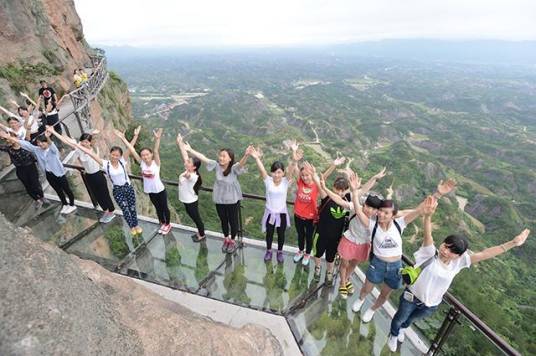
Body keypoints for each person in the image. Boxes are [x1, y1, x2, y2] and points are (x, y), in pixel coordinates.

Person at [387, 196, 531, 352]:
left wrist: (512, 243)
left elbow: (485, 254)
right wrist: (428, 216)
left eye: (451, 250)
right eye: (445, 245)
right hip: (411, 298)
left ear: (459, 255)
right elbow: (428, 234)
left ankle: (401, 330)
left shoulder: (458, 263)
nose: (445, 250)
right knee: (400, 318)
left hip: (431, 305)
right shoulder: (430, 253)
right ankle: (393, 334)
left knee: (409, 320)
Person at [351, 177, 455, 323]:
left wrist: (438, 194)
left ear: (393, 215)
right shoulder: (372, 225)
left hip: (395, 267)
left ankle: (372, 309)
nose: (381, 214)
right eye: (380, 211)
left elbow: (421, 210)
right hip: (378, 264)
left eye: (386, 213)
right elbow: (357, 209)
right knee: (367, 287)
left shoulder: (400, 223)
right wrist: (355, 192)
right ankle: (361, 300)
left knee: (385, 294)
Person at [319, 167, 387, 299]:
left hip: (363, 244)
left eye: (373, 208)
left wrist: (374, 178)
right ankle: (343, 283)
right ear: (364, 204)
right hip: (350, 240)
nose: (368, 210)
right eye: (367, 206)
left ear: (377, 211)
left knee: (354, 264)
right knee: (344, 264)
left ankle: (346, 279)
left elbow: (365, 189)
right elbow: (338, 200)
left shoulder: (376, 218)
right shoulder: (356, 207)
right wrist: (325, 189)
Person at [75, 126, 143, 236]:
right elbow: (91, 154)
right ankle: (131, 226)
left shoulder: (122, 161)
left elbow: (130, 148)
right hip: (117, 190)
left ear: (120, 156)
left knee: (132, 208)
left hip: (128, 187)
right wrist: (80, 145)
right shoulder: (106, 164)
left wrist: (135, 136)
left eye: (117, 155)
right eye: (113, 154)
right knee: (125, 209)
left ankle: (136, 225)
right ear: (110, 154)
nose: (115, 157)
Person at [185, 142, 250, 254]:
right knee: (223, 220)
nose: (221, 158)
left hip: (232, 200)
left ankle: (232, 241)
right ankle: (226, 239)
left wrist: (246, 155)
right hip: (219, 199)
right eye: (220, 155)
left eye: (224, 156)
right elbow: (203, 158)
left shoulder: (233, 168)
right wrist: (190, 150)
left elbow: (241, 164)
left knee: (233, 222)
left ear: (230, 159)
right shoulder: (216, 166)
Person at [47, 129, 116, 223]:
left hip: (97, 175)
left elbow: (88, 142)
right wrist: (54, 132)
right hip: (89, 175)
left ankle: (111, 212)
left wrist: (92, 134)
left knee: (104, 194)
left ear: (90, 142)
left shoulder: (93, 149)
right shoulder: (80, 150)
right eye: (83, 141)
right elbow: (66, 141)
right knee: (96, 195)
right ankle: (106, 211)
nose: (84, 143)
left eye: (87, 142)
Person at [3, 127, 76, 214]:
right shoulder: (37, 150)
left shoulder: (53, 150)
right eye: (38, 143)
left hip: (59, 173)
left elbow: (52, 145)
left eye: (42, 143)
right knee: (58, 191)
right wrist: (10, 137)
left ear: (46, 142)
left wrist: (48, 137)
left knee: (67, 189)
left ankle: (72, 205)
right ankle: (65, 204)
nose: (40, 144)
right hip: (49, 174)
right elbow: (25, 144)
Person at [117, 127, 172, 234]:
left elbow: (156, 150)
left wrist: (157, 139)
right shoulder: (142, 163)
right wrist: (123, 138)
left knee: (165, 207)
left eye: (147, 154)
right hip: (150, 191)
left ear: (151, 155)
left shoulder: (156, 163)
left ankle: (167, 224)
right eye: (143, 155)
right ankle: (162, 223)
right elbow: (132, 149)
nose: (145, 156)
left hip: (160, 190)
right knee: (157, 208)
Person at [249, 145, 292, 263]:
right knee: (269, 234)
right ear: (271, 173)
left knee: (281, 234)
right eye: (274, 172)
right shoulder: (268, 181)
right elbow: (262, 170)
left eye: (279, 172)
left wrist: (294, 158)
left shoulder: (285, 182)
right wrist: (257, 158)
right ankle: (268, 251)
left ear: (283, 173)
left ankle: (279, 252)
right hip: (270, 213)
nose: (276, 175)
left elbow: (291, 169)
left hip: (282, 213)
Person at [312, 161, 351, 286]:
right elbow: (318, 181)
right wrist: (333, 165)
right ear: (333, 187)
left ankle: (329, 272)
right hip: (321, 233)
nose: (339, 193)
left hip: (335, 237)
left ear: (346, 190)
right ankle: (317, 269)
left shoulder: (347, 200)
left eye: (342, 191)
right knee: (318, 253)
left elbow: (359, 190)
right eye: (337, 190)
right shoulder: (326, 196)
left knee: (330, 257)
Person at [0, 131, 44, 206]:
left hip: (31, 167)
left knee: (35, 184)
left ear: (16, 137)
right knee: (27, 185)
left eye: (9, 138)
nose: (8, 141)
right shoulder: (9, 148)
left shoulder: (25, 145)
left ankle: (42, 196)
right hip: (20, 169)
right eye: (6, 140)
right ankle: (36, 199)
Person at [176, 134, 205, 242]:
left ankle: (201, 234)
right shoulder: (189, 169)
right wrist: (180, 143)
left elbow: (188, 176)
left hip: (191, 201)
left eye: (189, 162)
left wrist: (185, 175)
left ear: (194, 167)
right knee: (193, 216)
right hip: (186, 200)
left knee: (196, 218)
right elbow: (184, 155)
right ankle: (200, 232)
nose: (186, 162)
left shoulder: (193, 176)